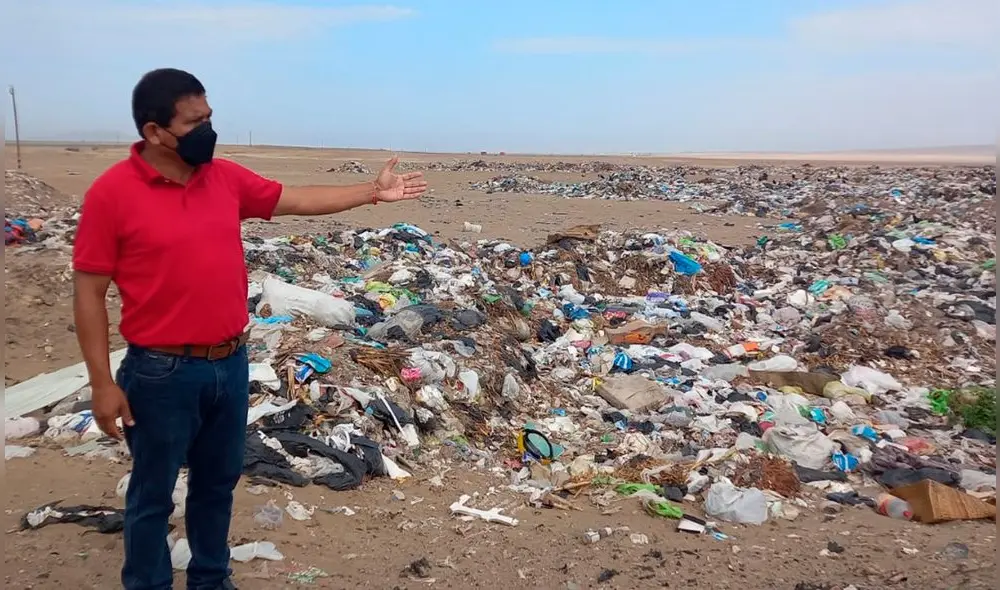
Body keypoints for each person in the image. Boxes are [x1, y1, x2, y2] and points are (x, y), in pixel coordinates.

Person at [72, 68, 427, 590]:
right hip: (160, 371)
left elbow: (296, 199)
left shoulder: (223, 178)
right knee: (152, 494)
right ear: (154, 132)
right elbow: (87, 293)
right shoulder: (113, 194)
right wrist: (102, 382)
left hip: (230, 363)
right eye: (194, 122)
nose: (208, 131)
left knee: (217, 485)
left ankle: (211, 580)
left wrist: (371, 193)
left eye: (209, 117)